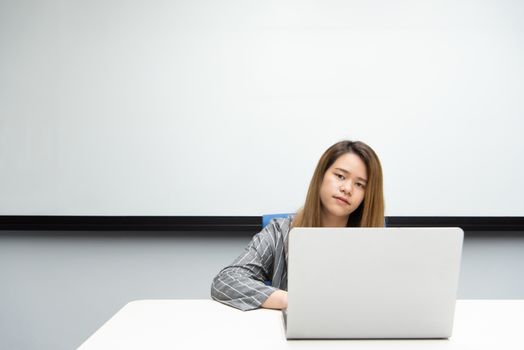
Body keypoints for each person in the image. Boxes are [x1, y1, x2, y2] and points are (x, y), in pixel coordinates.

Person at [210, 140, 385, 311]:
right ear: (321, 177)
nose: (347, 188)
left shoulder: (377, 243)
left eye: (359, 184)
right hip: (292, 336)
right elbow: (226, 280)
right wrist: (294, 300)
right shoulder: (279, 232)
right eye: (340, 176)